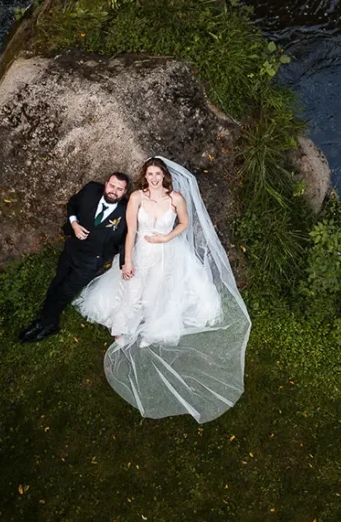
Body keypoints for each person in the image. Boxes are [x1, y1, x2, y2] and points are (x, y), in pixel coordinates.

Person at [74, 157, 251, 423]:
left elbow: (184, 223)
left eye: (158, 173)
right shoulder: (136, 197)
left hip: (168, 253)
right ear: (144, 176)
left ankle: (152, 327)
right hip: (141, 252)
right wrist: (128, 260)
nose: (154, 178)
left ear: (164, 175)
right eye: (150, 173)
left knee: (157, 292)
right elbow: (131, 230)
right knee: (132, 291)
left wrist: (167, 237)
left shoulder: (176, 197)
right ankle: (122, 328)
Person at [19, 172, 130, 343]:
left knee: (65, 292)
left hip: (91, 262)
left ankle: (46, 324)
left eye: (119, 189)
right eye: (112, 186)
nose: (113, 191)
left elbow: (126, 241)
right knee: (57, 282)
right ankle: (47, 320)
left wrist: (125, 263)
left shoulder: (127, 212)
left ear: (124, 192)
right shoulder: (91, 190)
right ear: (106, 183)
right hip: (71, 250)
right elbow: (72, 204)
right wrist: (74, 224)